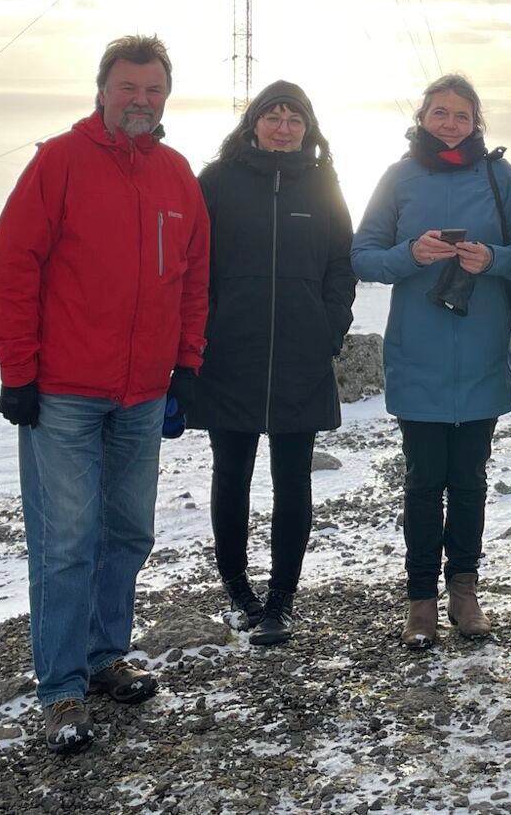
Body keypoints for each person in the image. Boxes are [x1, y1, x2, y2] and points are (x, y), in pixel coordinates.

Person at [0, 34, 208, 755]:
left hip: (142, 395)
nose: (141, 100)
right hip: (64, 395)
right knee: (65, 542)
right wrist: (17, 372)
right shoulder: (59, 162)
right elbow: (13, 266)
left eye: (153, 90)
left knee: (128, 533)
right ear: (103, 90)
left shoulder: (177, 175)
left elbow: (193, 278)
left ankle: (105, 655)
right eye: (128, 87)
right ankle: (61, 689)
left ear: (165, 97)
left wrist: (187, 364)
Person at [352, 74, 511, 649]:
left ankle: (465, 593)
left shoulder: (499, 176)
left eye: (461, 114)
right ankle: (420, 600)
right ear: (423, 118)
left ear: (476, 122)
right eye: (440, 113)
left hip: (481, 351)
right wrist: (410, 254)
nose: (450, 123)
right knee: (425, 482)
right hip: (418, 355)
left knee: (470, 481)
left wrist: (493, 258)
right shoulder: (399, 177)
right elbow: (362, 255)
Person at [192, 81, 355, 648]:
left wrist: (329, 325)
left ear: (307, 128)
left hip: (300, 355)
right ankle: (238, 590)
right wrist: (206, 329)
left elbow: (341, 263)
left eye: (294, 119)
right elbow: (194, 262)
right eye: (273, 117)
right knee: (230, 475)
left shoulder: (324, 183)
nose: (284, 128)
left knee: (293, 480)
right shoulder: (217, 180)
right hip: (229, 354)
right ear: (253, 123)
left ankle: (282, 597)